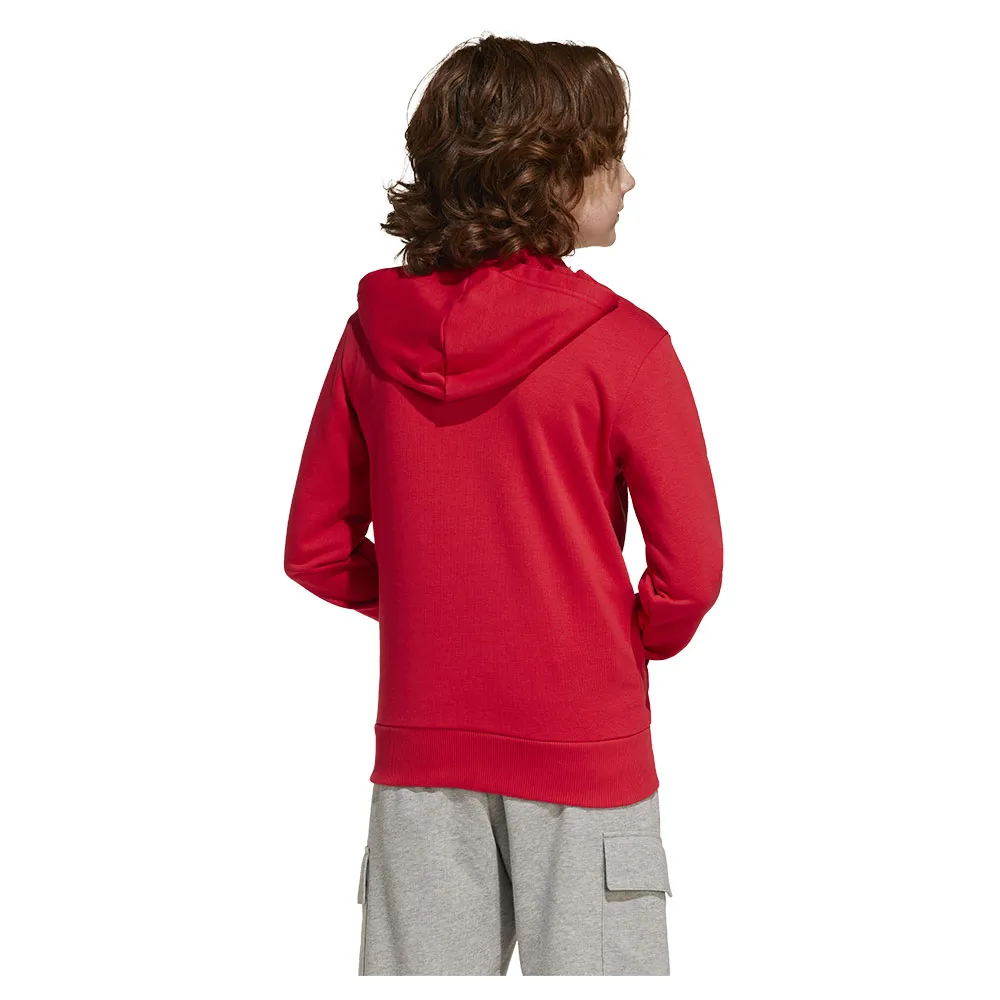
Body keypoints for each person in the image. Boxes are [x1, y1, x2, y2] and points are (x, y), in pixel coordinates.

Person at [283, 33, 724, 976]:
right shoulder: (627, 349)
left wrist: (436, 604)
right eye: (610, 155)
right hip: (585, 751)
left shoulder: (370, 339)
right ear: (545, 173)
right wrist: (602, 635)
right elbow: (691, 576)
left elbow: (316, 549)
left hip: (422, 751)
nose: (630, 179)